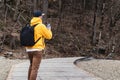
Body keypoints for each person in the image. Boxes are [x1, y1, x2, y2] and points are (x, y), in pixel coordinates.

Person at [26, 10, 52, 80]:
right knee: (35, 68)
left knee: (32, 66)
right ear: (39, 16)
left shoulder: (30, 25)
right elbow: (49, 36)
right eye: (42, 16)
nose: (42, 17)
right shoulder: (41, 26)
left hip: (28, 49)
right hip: (37, 50)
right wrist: (49, 29)